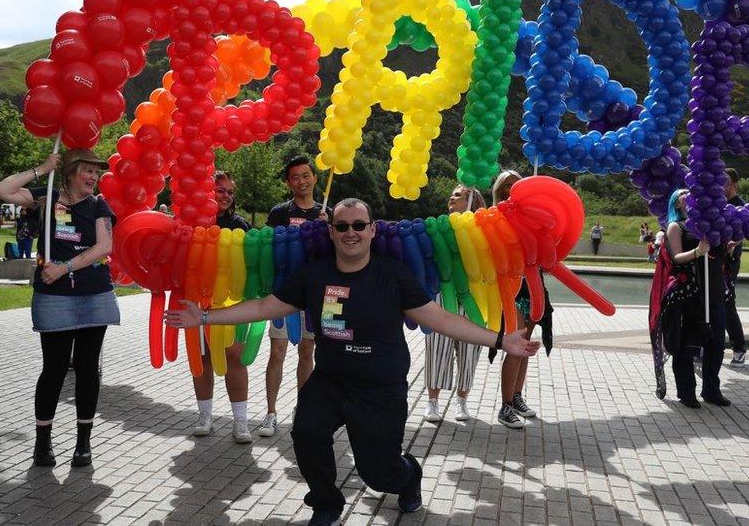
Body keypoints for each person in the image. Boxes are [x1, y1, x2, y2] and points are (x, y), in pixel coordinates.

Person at [164, 197, 539, 525]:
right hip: (330, 380)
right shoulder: (314, 274)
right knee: (306, 432)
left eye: (359, 225)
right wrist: (206, 317)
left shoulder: (393, 275)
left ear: (373, 230)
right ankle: (326, 503)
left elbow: (441, 319)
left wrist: (501, 340)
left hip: (380, 388)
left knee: (379, 474)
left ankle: (408, 477)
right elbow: (265, 306)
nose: (350, 232)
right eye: (341, 226)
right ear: (330, 232)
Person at [0, 148, 120, 467]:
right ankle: (43, 443)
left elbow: (104, 246)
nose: (94, 177)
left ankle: (83, 444)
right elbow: (2, 189)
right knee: (55, 368)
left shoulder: (98, 205)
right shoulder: (46, 197)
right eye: (87, 170)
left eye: (96, 171)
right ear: (70, 171)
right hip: (55, 296)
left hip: (94, 293)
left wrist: (66, 266)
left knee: (89, 368)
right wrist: (40, 169)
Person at [260, 156, 332, 438]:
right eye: (295, 177)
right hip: (284, 294)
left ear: (314, 178)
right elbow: (269, 247)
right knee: (276, 352)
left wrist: (328, 229)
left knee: (307, 353)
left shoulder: (327, 212)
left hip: (315, 296)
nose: (301, 181)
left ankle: (303, 410)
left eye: (306, 175)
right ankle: (270, 412)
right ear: (289, 183)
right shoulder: (280, 212)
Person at [191, 171, 254, 443]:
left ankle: (240, 421)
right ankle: (205, 416)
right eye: (220, 190)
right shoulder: (193, 221)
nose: (226, 195)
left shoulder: (240, 225)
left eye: (230, 191)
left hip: (230, 302)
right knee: (202, 360)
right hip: (197, 299)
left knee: (234, 358)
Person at [664, 188, 732, 409]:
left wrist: (727, 248)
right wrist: (697, 252)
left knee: (717, 345)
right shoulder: (677, 227)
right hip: (691, 296)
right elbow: (676, 258)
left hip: (714, 292)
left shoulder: (710, 225)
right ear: (676, 204)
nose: (689, 193)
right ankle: (686, 392)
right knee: (688, 345)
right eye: (683, 193)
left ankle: (712, 389)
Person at [423, 184, 486, 423]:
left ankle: (462, 401)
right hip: (443, 293)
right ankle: (432, 402)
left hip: (474, 297)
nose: (452, 196)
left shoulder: (482, 228)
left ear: (472, 201)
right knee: (437, 346)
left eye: (458, 195)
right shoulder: (441, 227)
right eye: (452, 193)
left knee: (469, 350)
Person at [490, 170, 546, 429]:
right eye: (506, 184)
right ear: (498, 189)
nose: (510, 188)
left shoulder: (531, 215)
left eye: (515, 184)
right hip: (508, 286)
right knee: (516, 344)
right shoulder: (494, 217)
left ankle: (516, 396)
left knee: (525, 346)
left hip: (531, 285)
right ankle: (505, 405)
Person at [723, 168, 747, 366]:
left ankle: (739, 348)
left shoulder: (740, 206)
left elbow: (743, 232)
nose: (720, 185)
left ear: (734, 186)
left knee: (728, 304)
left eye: (725, 182)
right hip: (713, 258)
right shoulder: (716, 202)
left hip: (729, 263)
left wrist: (734, 243)